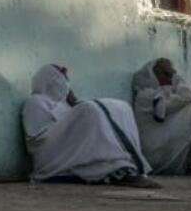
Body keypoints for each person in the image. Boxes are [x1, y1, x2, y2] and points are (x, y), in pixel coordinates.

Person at [22, 64, 157, 188]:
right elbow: (37, 140)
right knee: (89, 109)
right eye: (63, 78)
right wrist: (76, 112)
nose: (66, 83)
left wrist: (74, 104)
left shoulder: (65, 103)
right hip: (50, 157)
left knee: (122, 107)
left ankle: (123, 164)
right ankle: (115, 169)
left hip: (68, 146)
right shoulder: (36, 102)